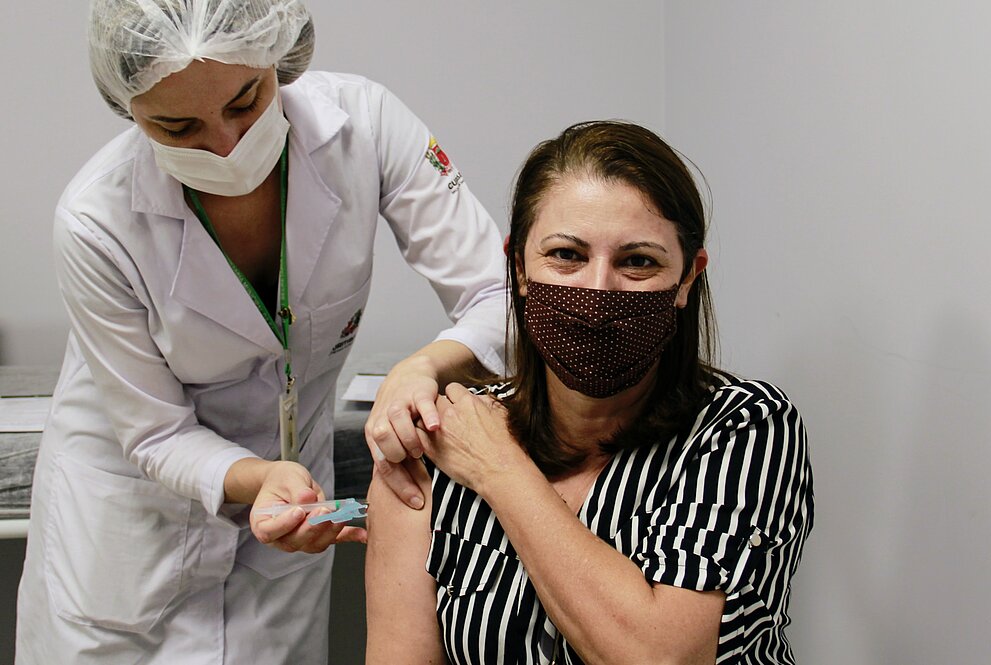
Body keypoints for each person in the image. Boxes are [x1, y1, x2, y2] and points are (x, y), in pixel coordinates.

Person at [15, 1, 506, 663]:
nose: (225, 144)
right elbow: (155, 431)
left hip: (286, 521)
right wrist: (253, 477)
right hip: (132, 530)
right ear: (126, 106)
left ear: (281, 55)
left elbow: (500, 294)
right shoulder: (94, 220)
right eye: (176, 125)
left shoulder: (363, 125)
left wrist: (425, 366)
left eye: (246, 100)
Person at [366, 121, 814, 664]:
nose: (598, 290)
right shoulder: (441, 440)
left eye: (638, 261)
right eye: (566, 255)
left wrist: (501, 472)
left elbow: (662, 657)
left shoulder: (744, 428)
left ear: (688, 280)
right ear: (518, 267)